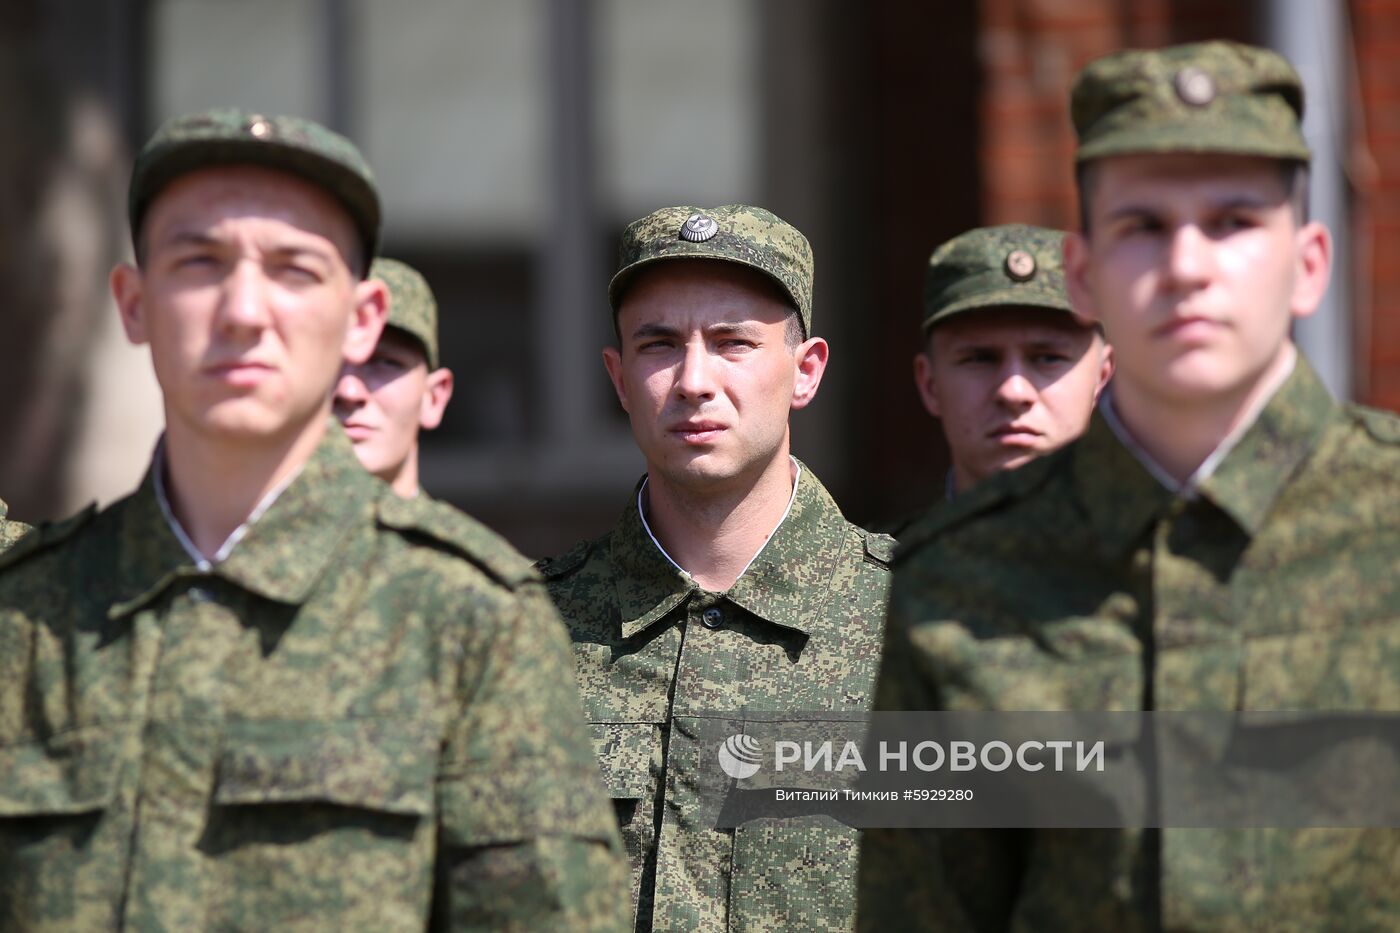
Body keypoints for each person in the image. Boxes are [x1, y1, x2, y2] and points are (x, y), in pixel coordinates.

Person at [0, 108, 628, 931]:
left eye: (294, 269)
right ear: (134, 303)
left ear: (362, 317)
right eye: (199, 262)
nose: (243, 311)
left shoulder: (468, 618)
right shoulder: (27, 617)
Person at [859, 41, 1400, 931]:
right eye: (1144, 225)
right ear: (1085, 274)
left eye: (1230, 221)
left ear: (1308, 264)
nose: (1187, 265)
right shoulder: (961, 581)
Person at [539, 204, 893, 930]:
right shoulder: (524, 631)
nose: (694, 379)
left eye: (733, 343)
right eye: (659, 344)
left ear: (806, 370)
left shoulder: (923, 622)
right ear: (618, 376)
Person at [886, 224, 1112, 533]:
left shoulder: (1169, 565)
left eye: (1048, 358)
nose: (1013, 391)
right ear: (930, 385)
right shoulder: (878, 577)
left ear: (1102, 376)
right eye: (980, 358)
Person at [334, 256, 454, 498]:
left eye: (385, 363)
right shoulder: (241, 534)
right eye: (328, 362)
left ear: (433, 398)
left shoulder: (464, 537)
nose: (349, 391)